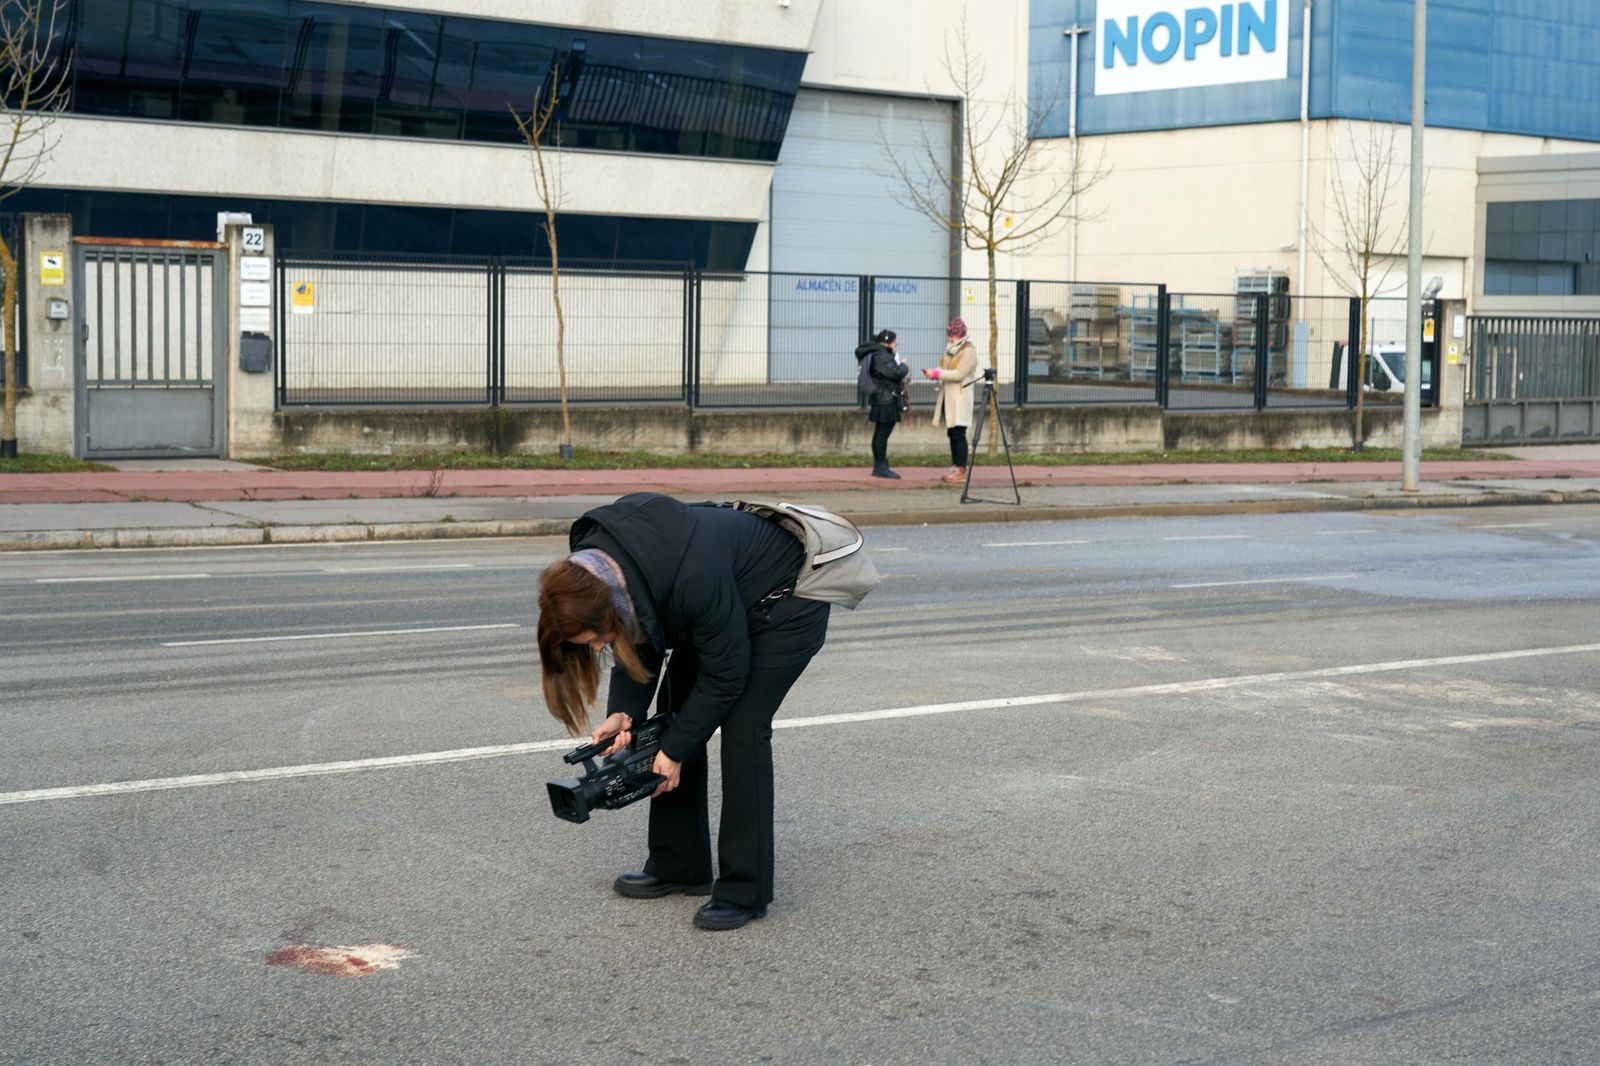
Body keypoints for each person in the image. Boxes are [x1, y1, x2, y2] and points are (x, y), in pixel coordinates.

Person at [536, 492, 831, 931]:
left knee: (743, 727)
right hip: (721, 604)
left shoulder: (693, 577)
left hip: (784, 601)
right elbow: (644, 632)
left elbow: (727, 674)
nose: (599, 648)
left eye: (597, 639)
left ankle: (744, 891)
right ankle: (679, 866)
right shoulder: (605, 570)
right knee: (672, 717)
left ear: (609, 609)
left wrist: (674, 752)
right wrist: (624, 712)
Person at [922, 318, 982, 484]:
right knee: (952, 433)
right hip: (949, 397)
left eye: (951, 335)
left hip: (960, 398)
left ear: (959, 334)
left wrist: (936, 374)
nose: (949, 338)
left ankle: (962, 470)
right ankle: (956, 465)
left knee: (958, 433)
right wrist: (933, 372)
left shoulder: (969, 351)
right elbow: (946, 369)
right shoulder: (951, 349)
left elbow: (959, 374)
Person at [855, 328, 910, 479]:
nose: (895, 345)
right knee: (882, 434)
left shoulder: (875, 353)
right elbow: (896, 373)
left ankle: (880, 465)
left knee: (880, 433)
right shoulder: (882, 356)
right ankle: (881, 466)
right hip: (886, 399)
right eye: (894, 342)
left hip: (881, 398)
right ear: (888, 342)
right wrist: (904, 365)